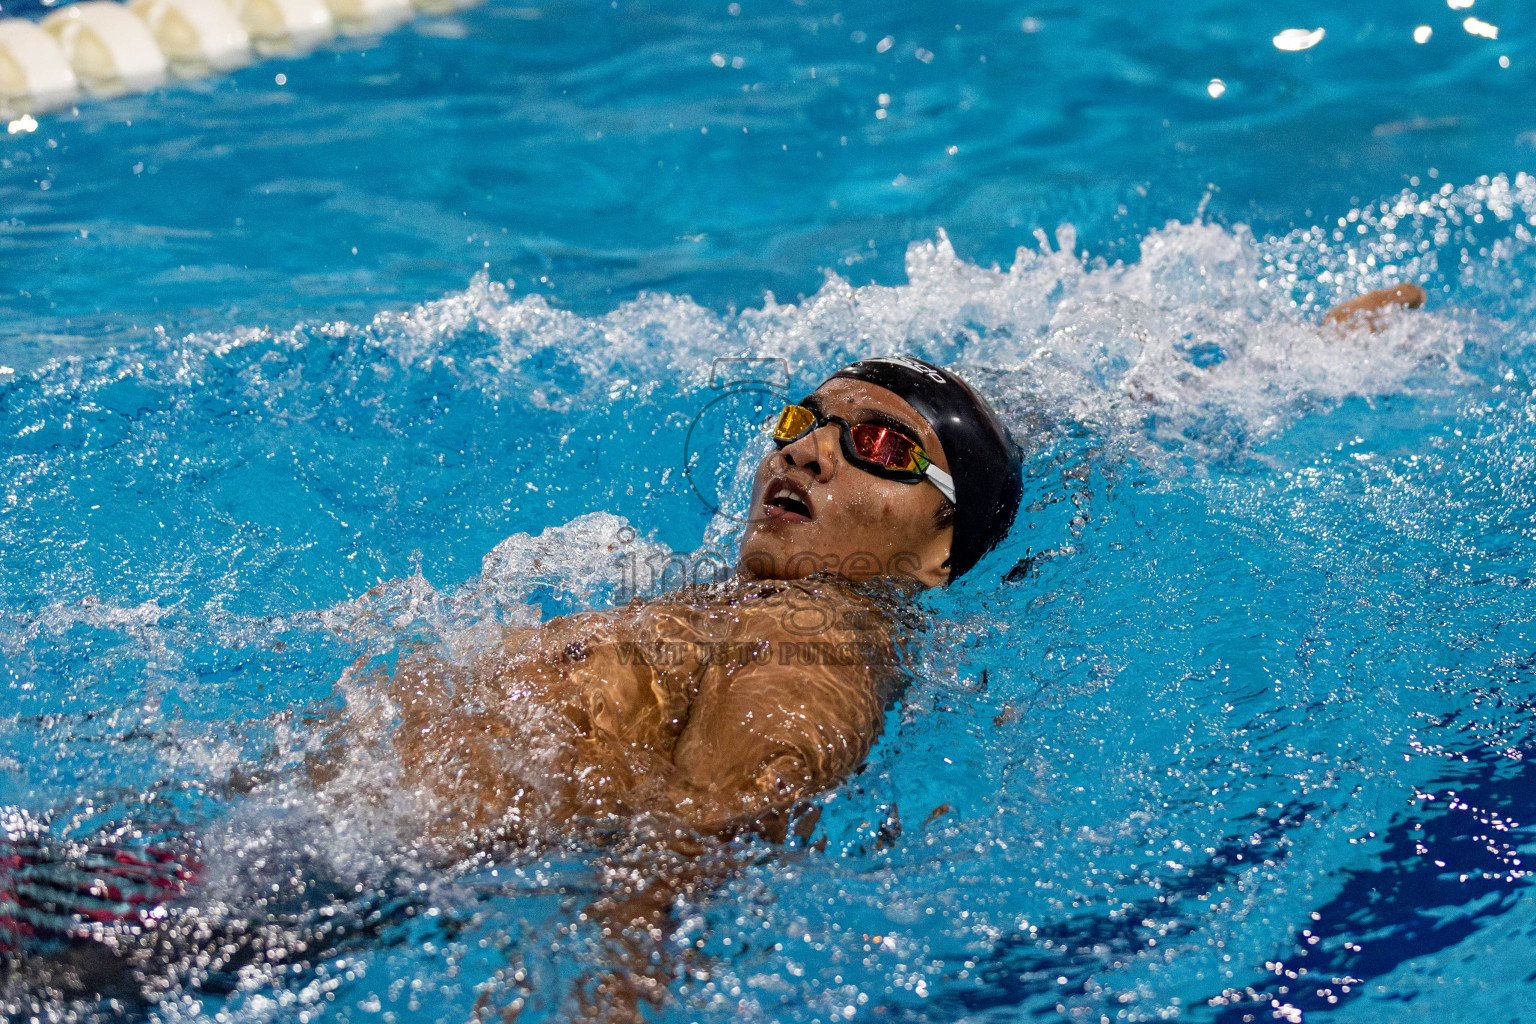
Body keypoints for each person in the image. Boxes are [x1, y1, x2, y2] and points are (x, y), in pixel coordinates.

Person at [0, 283, 1427, 1020]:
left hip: (281, 904)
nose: (807, 451)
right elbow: (1064, 427)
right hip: (179, 843)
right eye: (805, 420)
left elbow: (692, 854)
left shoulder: (812, 662)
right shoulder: (712, 601)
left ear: (938, 550)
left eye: (875, 447)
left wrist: (605, 997)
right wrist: (1296, 354)